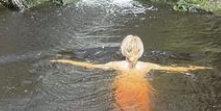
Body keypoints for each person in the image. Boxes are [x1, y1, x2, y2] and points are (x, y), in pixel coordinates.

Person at [53, 34, 208, 74]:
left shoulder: (116, 65)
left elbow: (90, 66)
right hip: (141, 90)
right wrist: (193, 68)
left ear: (124, 51)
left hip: (123, 89)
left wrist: (66, 61)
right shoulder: (147, 66)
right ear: (140, 52)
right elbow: (172, 69)